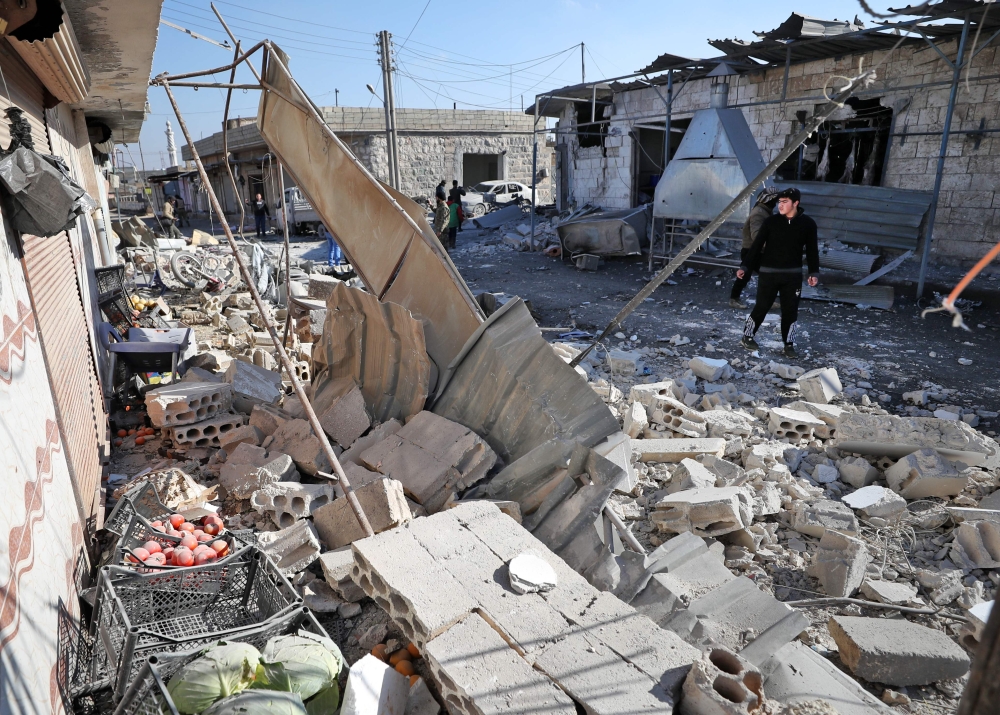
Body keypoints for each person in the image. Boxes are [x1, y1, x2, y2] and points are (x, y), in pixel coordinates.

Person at [737, 187, 819, 358]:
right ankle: (747, 336)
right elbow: (756, 246)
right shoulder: (770, 222)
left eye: (784, 202)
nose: (780, 205)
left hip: (792, 275)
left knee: (790, 310)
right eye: (779, 202)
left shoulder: (808, 224)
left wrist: (814, 272)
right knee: (762, 306)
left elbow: (812, 250)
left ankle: (788, 345)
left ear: (795, 203)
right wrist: (745, 267)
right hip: (769, 274)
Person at [730, 186, 779, 309]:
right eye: (775, 200)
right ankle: (734, 299)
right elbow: (757, 235)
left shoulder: (765, 211)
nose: (776, 203)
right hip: (751, 250)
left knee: (766, 275)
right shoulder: (759, 213)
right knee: (745, 275)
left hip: (758, 250)